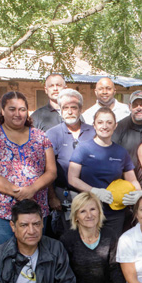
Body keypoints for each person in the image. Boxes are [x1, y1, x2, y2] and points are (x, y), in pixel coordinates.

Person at [0, 91, 57, 251]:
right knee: (4, 259)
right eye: (12, 109)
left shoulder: (40, 136)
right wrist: (19, 192)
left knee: (36, 258)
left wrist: (31, 190)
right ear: (3, 110)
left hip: (36, 211)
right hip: (3, 213)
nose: (17, 114)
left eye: (22, 109)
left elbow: (51, 171)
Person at [68, 107, 142, 237]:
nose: (105, 126)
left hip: (114, 213)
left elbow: (132, 180)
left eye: (109, 122)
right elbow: (72, 178)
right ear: (94, 125)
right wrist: (94, 191)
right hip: (89, 212)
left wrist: (139, 193)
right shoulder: (83, 148)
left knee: (112, 249)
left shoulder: (121, 152)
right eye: (100, 122)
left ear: (115, 126)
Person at [45, 89, 96, 237]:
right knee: (68, 235)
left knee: (91, 231)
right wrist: (52, 196)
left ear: (80, 109)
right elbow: (47, 168)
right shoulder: (52, 134)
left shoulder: (93, 132)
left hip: (91, 193)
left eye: (73, 107)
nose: (69, 111)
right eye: (65, 108)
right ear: (60, 111)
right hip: (64, 195)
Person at [112, 90, 142, 167]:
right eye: (135, 105)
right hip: (126, 175)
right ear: (130, 107)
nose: (139, 108)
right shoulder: (119, 127)